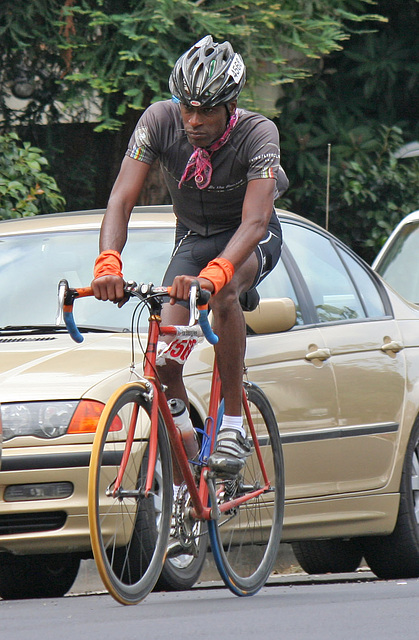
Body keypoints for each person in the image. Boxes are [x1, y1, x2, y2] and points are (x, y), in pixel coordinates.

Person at [91, 35, 288, 478]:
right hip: (194, 238)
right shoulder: (159, 120)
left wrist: (219, 272)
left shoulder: (259, 133)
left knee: (223, 295)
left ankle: (233, 423)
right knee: (162, 356)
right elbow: (121, 199)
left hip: (248, 237)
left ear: (230, 105)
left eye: (207, 111)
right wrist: (108, 260)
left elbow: (256, 221)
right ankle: (186, 463)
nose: (194, 120)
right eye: (187, 108)